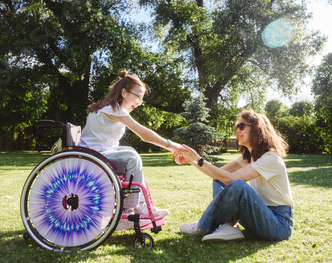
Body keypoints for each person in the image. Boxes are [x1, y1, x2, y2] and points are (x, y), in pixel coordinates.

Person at [78, 70, 185, 220]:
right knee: (132, 156)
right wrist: (173, 146)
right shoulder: (112, 109)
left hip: (98, 152)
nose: (140, 102)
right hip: (94, 155)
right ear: (124, 92)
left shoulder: (112, 109)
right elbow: (144, 134)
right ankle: (132, 207)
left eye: (141, 99)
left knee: (129, 152)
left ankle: (138, 205)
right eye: (138, 97)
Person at [175, 109, 294, 242]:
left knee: (238, 185)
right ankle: (228, 226)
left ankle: (202, 226)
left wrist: (199, 159)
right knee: (219, 180)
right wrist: (192, 160)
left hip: (279, 226)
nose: (237, 131)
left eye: (242, 127)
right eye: (237, 127)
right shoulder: (248, 157)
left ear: (257, 130)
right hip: (260, 213)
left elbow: (231, 179)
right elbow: (216, 175)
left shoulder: (271, 158)